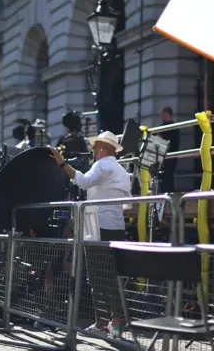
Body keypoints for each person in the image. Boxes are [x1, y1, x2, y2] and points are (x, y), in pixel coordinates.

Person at [49, 131, 131, 337]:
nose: (93, 151)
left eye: (95, 148)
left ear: (103, 149)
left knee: (97, 276)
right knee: (112, 276)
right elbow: (128, 204)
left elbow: (83, 181)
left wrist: (62, 163)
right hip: (116, 226)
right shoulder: (121, 170)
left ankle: (103, 322)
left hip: (99, 226)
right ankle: (117, 322)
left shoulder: (102, 165)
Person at [157, 106, 180, 193]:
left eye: (163, 114)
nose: (161, 116)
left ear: (167, 114)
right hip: (163, 155)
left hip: (170, 155)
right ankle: (167, 191)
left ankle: (169, 192)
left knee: (168, 175)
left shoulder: (173, 127)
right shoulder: (163, 126)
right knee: (163, 176)